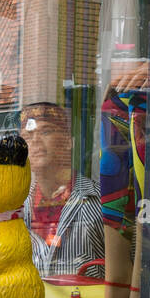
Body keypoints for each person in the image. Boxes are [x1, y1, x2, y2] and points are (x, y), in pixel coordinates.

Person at [20, 102, 104, 278]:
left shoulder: (100, 201)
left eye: (46, 132)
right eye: (27, 136)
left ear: (68, 142)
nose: (35, 141)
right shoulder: (16, 208)